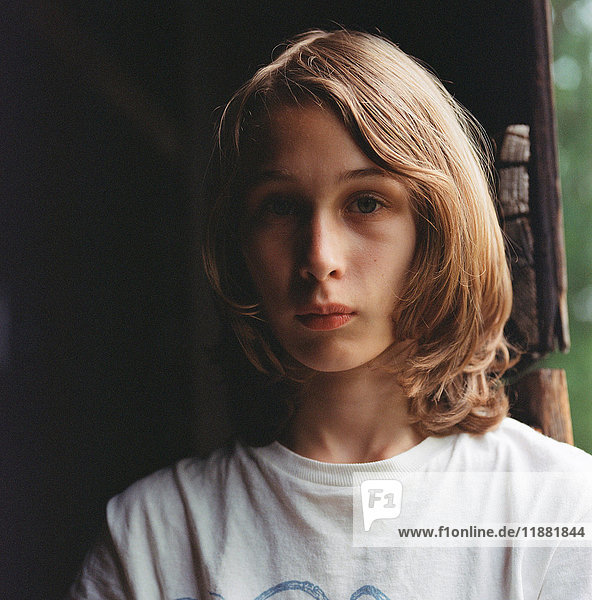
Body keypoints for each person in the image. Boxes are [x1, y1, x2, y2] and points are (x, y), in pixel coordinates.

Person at [66, 29, 592, 600]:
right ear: (239, 245)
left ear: (436, 230)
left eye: (366, 202)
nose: (319, 257)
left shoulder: (557, 511)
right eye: (281, 208)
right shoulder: (154, 540)